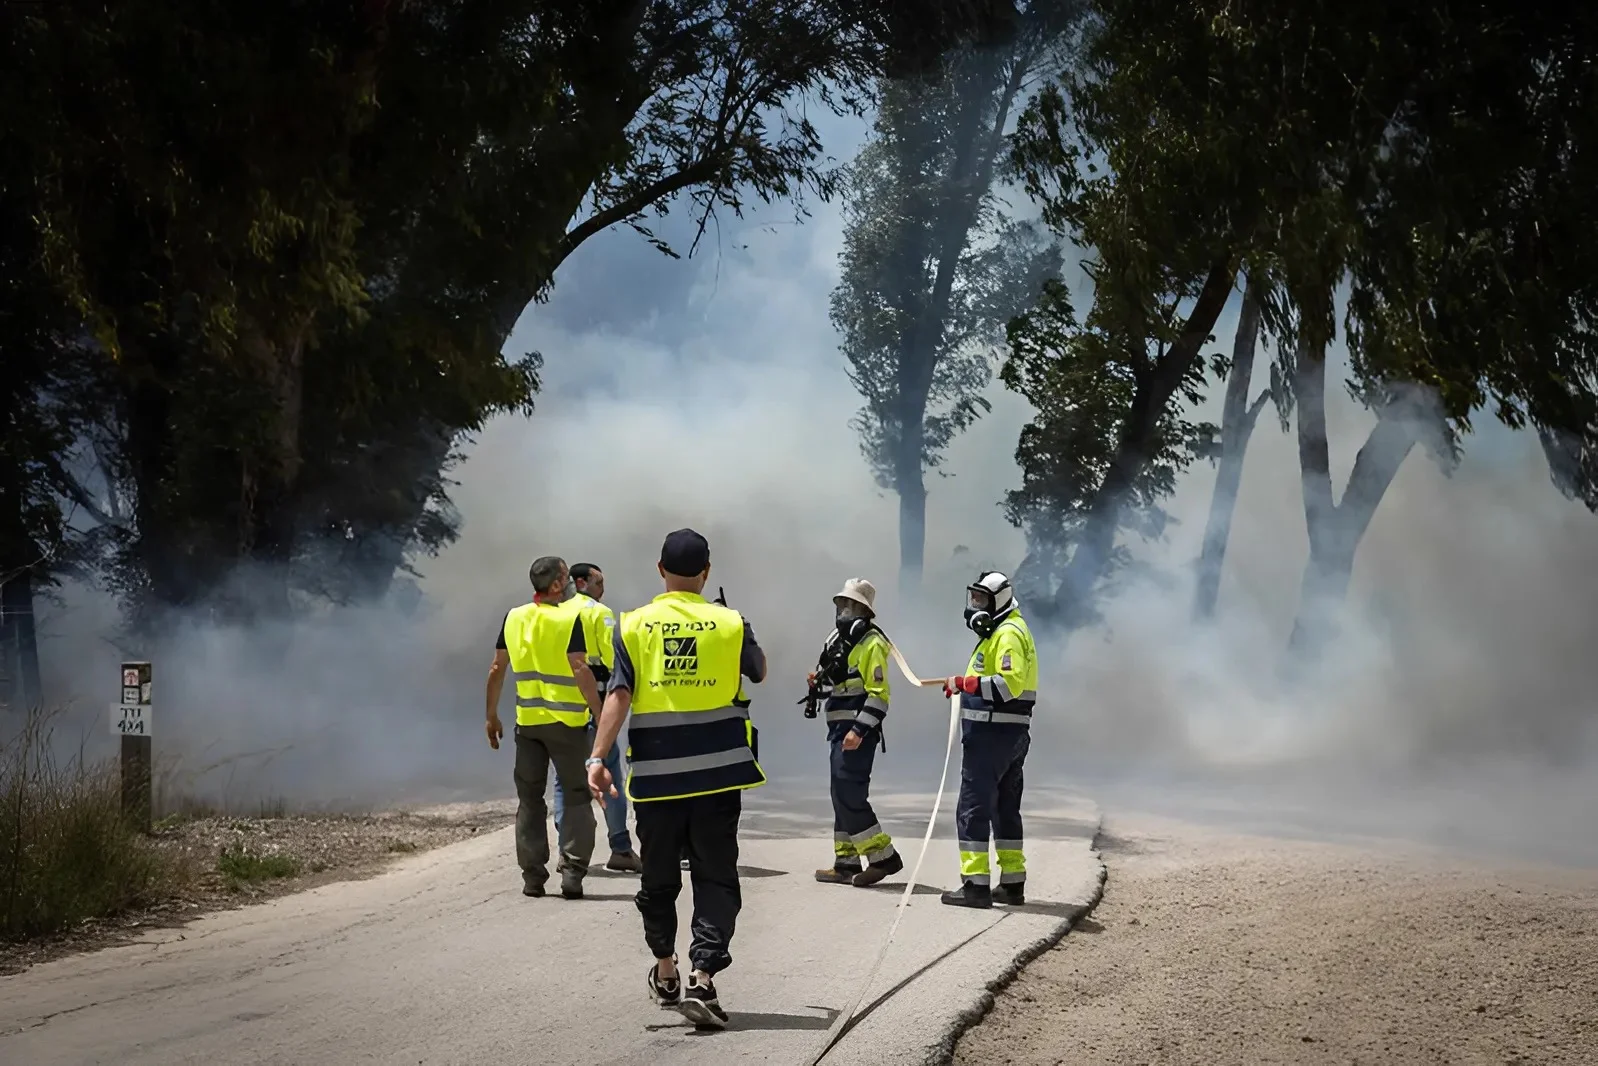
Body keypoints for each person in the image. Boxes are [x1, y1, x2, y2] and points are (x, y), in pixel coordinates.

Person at [587, 528, 767, 1029]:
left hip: (658, 779)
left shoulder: (632, 624)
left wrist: (597, 758)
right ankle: (702, 978)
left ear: (660, 569)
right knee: (715, 876)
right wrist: (738, 629)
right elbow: (759, 671)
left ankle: (666, 970)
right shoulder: (731, 622)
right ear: (706, 572)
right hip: (718, 777)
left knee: (659, 876)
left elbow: (619, 695)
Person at [484, 556, 601, 900]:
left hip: (529, 726)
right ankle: (573, 872)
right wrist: (600, 713)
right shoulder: (570, 618)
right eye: (566, 578)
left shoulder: (514, 617)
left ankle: (533, 877)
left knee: (530, 800)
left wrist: (491, 716)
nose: (571, 584)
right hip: (567, 725)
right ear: (556, 584)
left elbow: (497, 668)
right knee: (577, 796)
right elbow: (579, 668)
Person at [941, 570, 1038, 909]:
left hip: (991, 738)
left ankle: (976, 886)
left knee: (973, 808)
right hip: (1008, 737)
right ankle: (1012, 883)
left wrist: (964, 684)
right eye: (973, 598)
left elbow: (1007, 686)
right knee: (1004, 809)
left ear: (999, 601)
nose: (975, 606)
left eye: (981, 600)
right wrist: (964, 686)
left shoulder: (1008, 633)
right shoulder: (1001, 632)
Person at [808, 578, 904, 887]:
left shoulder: (872, 643)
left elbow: (879, 695)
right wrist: (817, 685)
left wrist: (859, 730)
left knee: (849, 793)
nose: (844, 610)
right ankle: (846, 862)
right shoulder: (835, 639)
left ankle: (883, 857)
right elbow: (834, 685)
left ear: (865, 610)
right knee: (839, 792)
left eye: (851, 605)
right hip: (837, 730)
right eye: (841, 604)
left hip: (856, 733)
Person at [551, 562, 642, 873]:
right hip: (595, 705)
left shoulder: (555, 612)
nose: (603, 588)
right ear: (582, 582)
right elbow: (613, 661)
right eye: (599, 582)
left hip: (559, 708)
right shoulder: (599, 613)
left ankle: (566, 851)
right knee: (609, 773)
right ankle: (621, 848)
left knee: (564, 781)